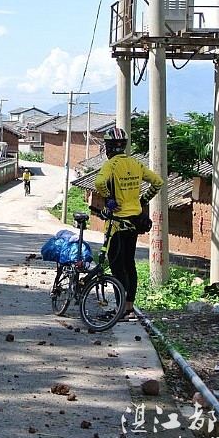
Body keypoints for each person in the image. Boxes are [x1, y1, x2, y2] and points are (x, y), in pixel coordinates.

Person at [94, 127, 163, 321]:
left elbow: (99, 183)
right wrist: (142, 200)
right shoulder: (136, 163)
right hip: (134, 223)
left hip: (117, 224)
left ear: (108, 147)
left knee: (117, 267)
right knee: (129, 265)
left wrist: (109, 199)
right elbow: (158, 182)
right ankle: (129, 308)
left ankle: (120, 310)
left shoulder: (111, 165)